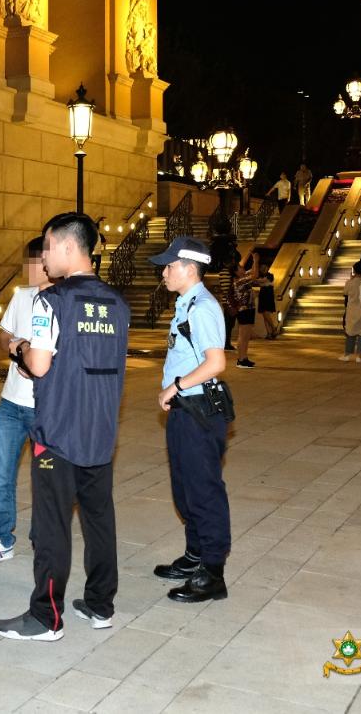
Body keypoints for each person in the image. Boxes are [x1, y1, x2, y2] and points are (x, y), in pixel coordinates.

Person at [0, 213, 130, 641]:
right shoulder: (117, 303)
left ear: (69, 247)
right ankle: (100, 604)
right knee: (98, 519)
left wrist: (18, 346)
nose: (44, 258)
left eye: (48, 248)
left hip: (57, 431)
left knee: (52, 524)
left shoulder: (49, 301)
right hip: (101, 431)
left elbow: (38, 365)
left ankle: (45, 617)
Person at [150, 236, 232, 603]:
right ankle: (195, 555)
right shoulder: (186, 304)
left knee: (204, 491)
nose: (164, 273)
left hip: (200, 411)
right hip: (186, 410)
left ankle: (212, 573)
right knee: (185, 489)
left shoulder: (202, 308)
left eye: (169, 266)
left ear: (189, 268)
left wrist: (177, 385)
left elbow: (216, 362)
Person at [0, 236, 49, 567]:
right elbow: (4, 333)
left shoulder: (64, 302)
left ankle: (44, 539)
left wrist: (35, 359)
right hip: (10, 405)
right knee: (1, 477)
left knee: (46, 478)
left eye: (34, 262)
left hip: (45, 408)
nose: (28, 269)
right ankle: (2, 539)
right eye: (27, 262)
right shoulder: (22, 296)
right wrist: (16, 347)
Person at [229, 259, 258, 369]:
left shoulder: (242, 279)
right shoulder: (239, 281)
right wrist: (256, 260)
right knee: (243, 335)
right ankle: (241, 360)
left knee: (246, 336)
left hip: (248, 309)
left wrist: (254, 262)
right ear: (236, 271)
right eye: (240, 267)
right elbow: (255, 275)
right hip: (244, 309)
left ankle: (244, 358)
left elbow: (253, 272)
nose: (243, 268)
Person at [341, 261, 361, 363]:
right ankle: (360, 356)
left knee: (350, 333)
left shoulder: (349, 282)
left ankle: (347, 354)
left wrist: (351, 279)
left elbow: (345, 293)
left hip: (352, 310)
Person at [257, 267, 279, 339]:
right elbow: (260, 282)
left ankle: (273, 328)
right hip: (263, 294)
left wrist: (256, 280)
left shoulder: (270, 275)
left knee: (266, 313)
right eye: (262, 267)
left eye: (265, 267)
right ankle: (269, 333)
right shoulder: (260, 276)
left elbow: (262, 281)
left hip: (268, 294)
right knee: (264, 315)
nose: (263, 269)